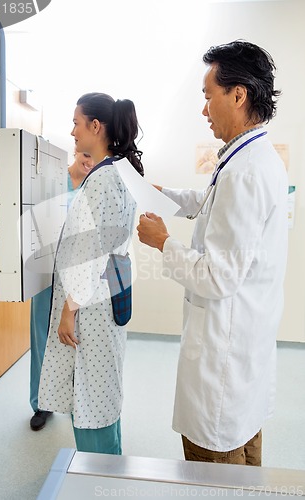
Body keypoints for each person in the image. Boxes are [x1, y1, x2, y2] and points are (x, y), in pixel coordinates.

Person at [137, 40, 288, 466]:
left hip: (224, 361)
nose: (204, 110)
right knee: (245, 455)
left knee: (215, 471)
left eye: (208, 96)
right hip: (243, 355)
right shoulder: (252, 159)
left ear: (238, 95)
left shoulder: (245, 172)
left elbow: (216, 277)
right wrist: (162, 195)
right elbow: (208, 202)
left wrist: (162, 241)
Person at [38, 92, 143, 454]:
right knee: (103, 390)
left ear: (95, 127)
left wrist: (69, 312)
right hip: (109, 294)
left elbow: (91, 256)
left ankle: (98, 478)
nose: (72, 132)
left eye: (76, 123)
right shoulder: (119, 173)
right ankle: (107, 471)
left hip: (91, 305)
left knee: (90, 396)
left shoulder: (100, 181)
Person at [30, 150, 95, 431]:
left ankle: (72, 401)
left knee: (74, 339)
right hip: (47, 272)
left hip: (78, 276)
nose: (88, 161)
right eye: (85, 155)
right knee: (41, 337)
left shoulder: (94, 186)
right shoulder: (54, 182)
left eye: (93, 157)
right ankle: (40, 404)